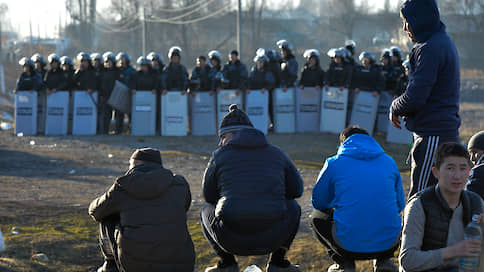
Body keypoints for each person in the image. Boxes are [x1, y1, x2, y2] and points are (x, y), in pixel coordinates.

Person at [202, 104, 303, 272]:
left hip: (230, 238)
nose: (220, 143)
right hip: (273, 236)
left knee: (206, 209)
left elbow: (209, 196)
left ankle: (227, 264)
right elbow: (296, 191)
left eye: (223, 137)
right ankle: (278, 263)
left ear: (234, 134)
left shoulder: (219, 156)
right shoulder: (277, 153)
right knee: (293, 207)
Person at [390, 0, 462, 198]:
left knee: (419, 200)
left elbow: (415, 97)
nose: (405, 28)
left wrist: (395, 106)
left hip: (433, 135)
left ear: (419, 20)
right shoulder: (441, 42)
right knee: (439, 200)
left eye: (408, 21)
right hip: (442, 133)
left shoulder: (430, 48)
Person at [311, 126, 404, 272]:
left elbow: (318, 202)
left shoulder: (334, 163)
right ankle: (384, 262)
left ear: (343, 144)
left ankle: (343, 264)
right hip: (388, 244)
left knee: (316, 217)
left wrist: (338, 202)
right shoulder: (389, 162)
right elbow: (400, 205)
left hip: (347, 246)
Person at [89, 148, 195, 272]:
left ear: (136, 163)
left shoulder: (123, 186)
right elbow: (184, 207)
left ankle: (110, 266)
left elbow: (95, 211)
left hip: (135, 265)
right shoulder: (179, 184)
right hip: (181, 264)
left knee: (107, 216)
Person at [399, 142, 483, 272]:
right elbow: (408, 260)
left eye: (462, 169)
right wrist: (452, 252)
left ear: (468, 172)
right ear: (436, 172)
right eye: (450, 168)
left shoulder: (475, 202)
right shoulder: (420, 205)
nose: (457, 176)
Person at [98, 52, 120, 135]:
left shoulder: (117, 72)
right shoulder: (102, 72)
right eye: (107, 62)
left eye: (110, 62)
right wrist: (101, 94)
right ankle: (104, 131)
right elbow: (99, 84)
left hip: (115, 95)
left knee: (118, 115)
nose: (108, 64)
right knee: (105, 115)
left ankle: (118, 131)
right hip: (105, 96)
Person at [116, 52, 136, 134]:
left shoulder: (132, 71)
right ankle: (118, 130)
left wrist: (132, 88)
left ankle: (131, 130)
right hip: (119, 94)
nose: (122, 61)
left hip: (129, 93)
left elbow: (134, 81)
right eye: (121, 59)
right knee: (119, 113)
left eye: (124, 59)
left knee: (130, 113)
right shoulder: (117, 70)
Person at [147, 51, 164, 134]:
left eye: (156, 61)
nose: (154, 63)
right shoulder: (149, 72)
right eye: (153, 61)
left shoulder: (163, 71)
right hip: (150, 95)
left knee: (160, 112)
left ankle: (159, 128)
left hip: (161, 95)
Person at [466, 131, 484, 199]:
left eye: (475, 152)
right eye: (470, 154)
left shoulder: (478, 172)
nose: (472, 158)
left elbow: (468, 201)